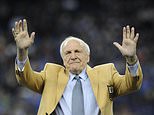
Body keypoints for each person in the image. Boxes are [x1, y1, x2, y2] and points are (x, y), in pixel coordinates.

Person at [12, 19, 143, 115]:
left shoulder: (106, 72)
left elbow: (132, 84)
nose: (73, 56)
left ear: (88, 57)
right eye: (68, 53)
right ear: (63, 60)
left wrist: (131, 59)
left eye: (77, 51)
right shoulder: (51, 73)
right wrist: (22, 52)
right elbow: (25, 79)